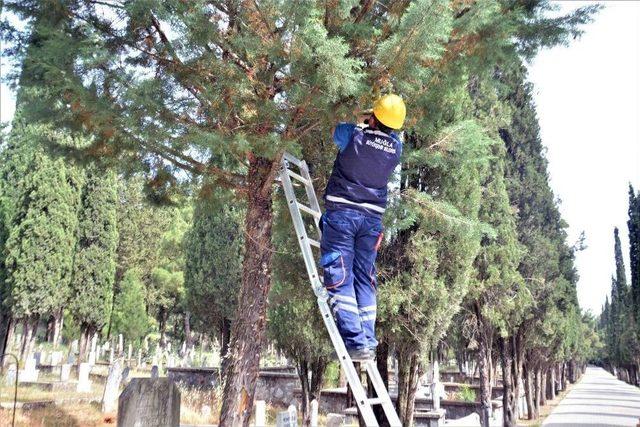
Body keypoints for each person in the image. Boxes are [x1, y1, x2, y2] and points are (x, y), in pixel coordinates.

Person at [320, 94, 405, 361]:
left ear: (373, 118)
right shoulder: (396, 149)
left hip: (343, 215)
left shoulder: (353, 135)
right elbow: (380, 140)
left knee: (340, 274)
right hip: (371, 222)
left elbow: (335, 130)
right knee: (364, 277)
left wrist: (361, 118)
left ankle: (355, 343)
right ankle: (367, 340)